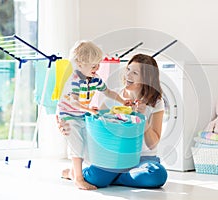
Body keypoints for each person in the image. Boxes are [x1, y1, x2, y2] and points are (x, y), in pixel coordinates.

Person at [59, 53, 167, 189]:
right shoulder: (112, 97)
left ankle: (112, 178)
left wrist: (142, 118)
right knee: (97, 177)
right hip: (115, 159)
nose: (128, 75)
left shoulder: (155, 102)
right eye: (128, 69)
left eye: (135, 73)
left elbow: (152, 145)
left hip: (142, 160)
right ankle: (76, 173)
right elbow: (96, 131)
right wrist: (69, 127)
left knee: (156, 175)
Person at [58, 40, 128, 190]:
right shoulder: (74, 80)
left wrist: (123, 101)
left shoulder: (95, 79)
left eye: (98, 64)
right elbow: (75, 102)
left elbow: (108, 92)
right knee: (76, 144)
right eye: (93, 65)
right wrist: (89, 110)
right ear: (80, 64)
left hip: (81, 114)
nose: (97, 68)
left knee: (86, 144)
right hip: (68, 114)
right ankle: (78, 178)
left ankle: (71, 172)